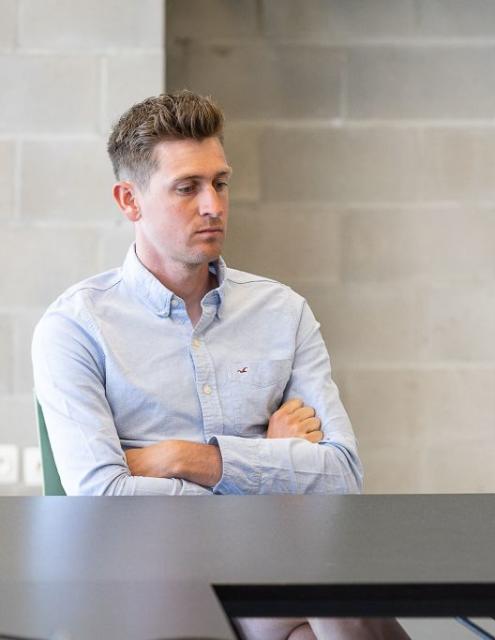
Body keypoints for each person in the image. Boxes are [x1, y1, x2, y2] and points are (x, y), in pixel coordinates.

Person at [31, 91, 408, 640]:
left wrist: (182, 458)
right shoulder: (75, 327)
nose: (214, 205)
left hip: (275, 573)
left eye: (220, 183)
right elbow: (101, 497)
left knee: (324, 612)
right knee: (337, 603)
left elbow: (342, 478)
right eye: (187, 188)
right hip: (147, 581)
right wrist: (271, 472)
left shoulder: (282, 311)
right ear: (129, 200)